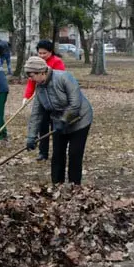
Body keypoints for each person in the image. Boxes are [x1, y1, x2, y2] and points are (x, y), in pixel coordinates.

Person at [23, 56, 93, 185]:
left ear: (41, 72)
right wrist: (31, 137)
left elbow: (75, 103)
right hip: (58, 122)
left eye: (31, 75)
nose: (30, 79)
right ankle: (57, 185)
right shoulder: (39, 88)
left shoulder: (64, 78)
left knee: (74, 154)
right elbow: (36, 114)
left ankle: (74, 186)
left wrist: (64, 119)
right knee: (57, 155)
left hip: (80, 119)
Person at [23, 39, 66, 161]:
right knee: (42, 125)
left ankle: (58, 152)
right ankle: (43, 152)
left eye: (44, 53)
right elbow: (31, 82)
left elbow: (59, 81)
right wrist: (27, 96)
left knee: (55, 127)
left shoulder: (57, 62)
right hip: (42, 100)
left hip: (55, 100)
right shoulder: (35, 63)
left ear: (51, 52)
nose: (42, 55)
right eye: (40, 53)